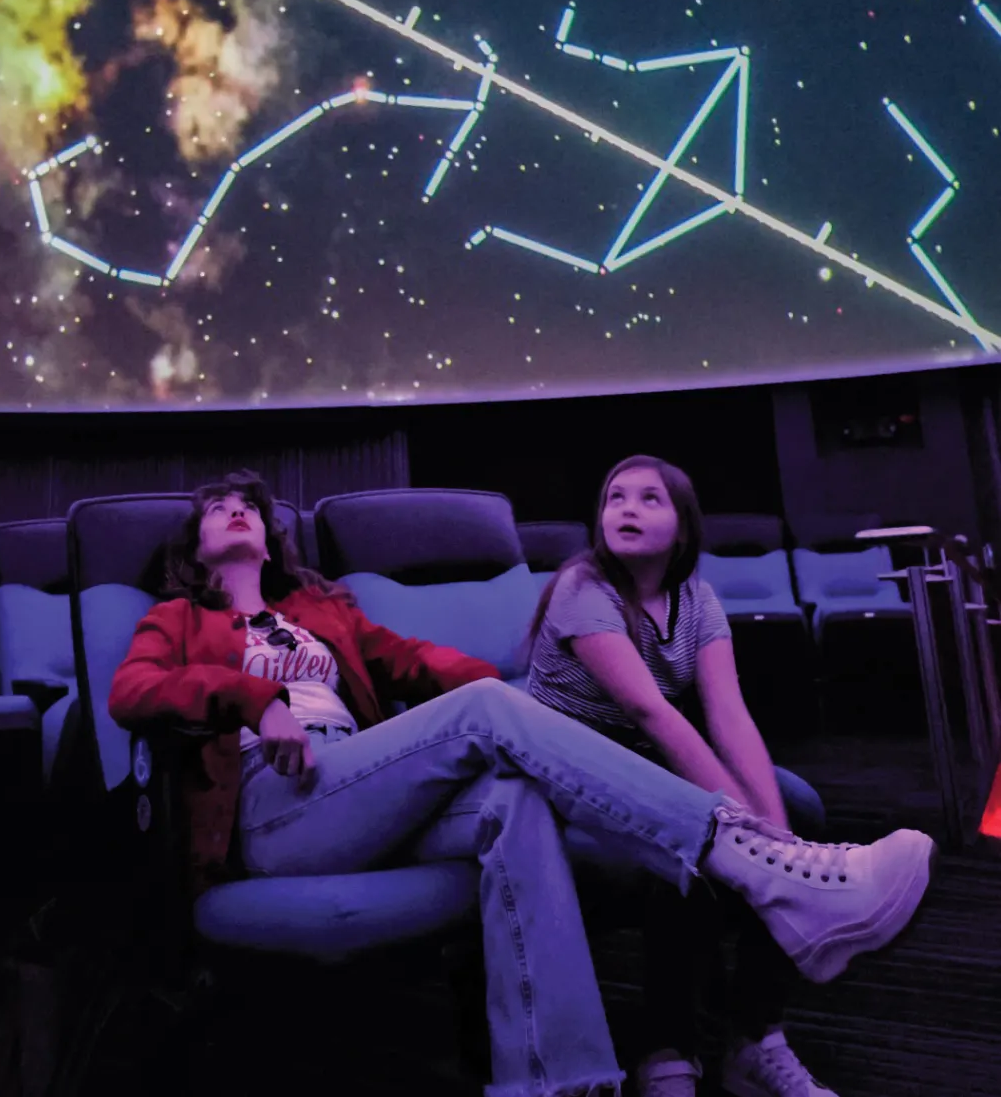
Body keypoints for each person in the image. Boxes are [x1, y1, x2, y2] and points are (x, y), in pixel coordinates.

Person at [109, 471, 936, 1097]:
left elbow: (426, 665)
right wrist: (256, 698)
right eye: (219, 507)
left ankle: (560, 1078)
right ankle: (762, 861)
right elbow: (133, 692)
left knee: (511, 794)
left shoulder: (327, 610)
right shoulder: (177, 619)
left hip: (364, 782)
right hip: (278, 808)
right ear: (195, 541)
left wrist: (516, 713)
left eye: (250, 504)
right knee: (483, 713)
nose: (238, 511)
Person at [528, 456, 839, 1097]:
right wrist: (736, 817)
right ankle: (667, 1045)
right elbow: (650, 709)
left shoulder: (696, 597)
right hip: (566, 772)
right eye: (615, 497)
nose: (628, 509)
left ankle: (755, 1036)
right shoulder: (581, 588)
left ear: (685, 525)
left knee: (800, 808)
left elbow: (728, 714)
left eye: (650, 499)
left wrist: (778, 835)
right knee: (691, 837)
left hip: (643, 758)